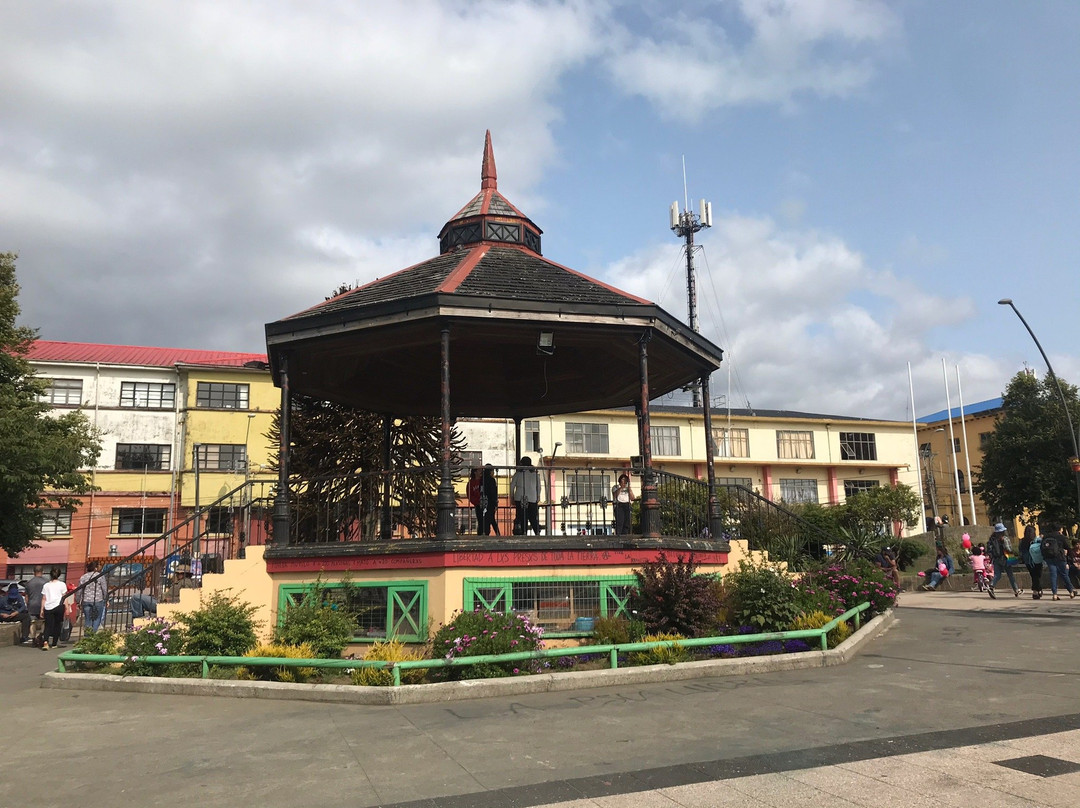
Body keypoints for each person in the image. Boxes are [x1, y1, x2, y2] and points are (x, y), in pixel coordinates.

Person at [1039, 522, 1076, 601]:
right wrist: (1071, 559)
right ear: (1059, 529)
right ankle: (1071, 592)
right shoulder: (1061, 537)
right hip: (1060, 558)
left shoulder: (1046, 537)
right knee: (1064, 575)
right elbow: (1068, 548)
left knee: (1053, 575)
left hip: (1049, 558)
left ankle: (1055, 594)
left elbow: (1041, 547)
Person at [987, 523, 1022, 597]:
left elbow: (989, 550)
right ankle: (1016, 590)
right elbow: (1008, 549)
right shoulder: (1005, 538)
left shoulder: (992, 539)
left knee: (997, 575)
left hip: (996, 559)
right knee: (1010, 575)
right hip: (1005, 558)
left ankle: (991, 586)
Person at [510, 457, 541, 535]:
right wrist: (538, 496)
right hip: (532, 498)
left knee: (522, 518)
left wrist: (512, 497)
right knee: (533, 518)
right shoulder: (535, 475)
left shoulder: (517, 474)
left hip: (520, 498)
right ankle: (537, 533)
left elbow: (512, 486)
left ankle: (524, 533)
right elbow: (539, 487)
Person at [78, 560, 109, 632]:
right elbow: (104, 589)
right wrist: (106, 599)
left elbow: (79, 590)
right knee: (97, 618)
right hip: (98, 600)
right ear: (96, 567)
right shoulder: (100, 576)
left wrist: (78, 601)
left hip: (86, 600)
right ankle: (93, 634)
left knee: (87, 619)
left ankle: (87, 635)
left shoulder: (83, 577)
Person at [40, 568, 67, 650]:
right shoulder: (62, 584)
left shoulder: (46, 585)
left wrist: (42, 609)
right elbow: (64, 597)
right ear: (59, 575)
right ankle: (54, 643)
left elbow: (44, 598)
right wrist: (67, 607)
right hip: (59, 606)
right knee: (57, 625)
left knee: (48, 625)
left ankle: (45, 642)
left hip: (48, 607)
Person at [23, 565, 47, 645]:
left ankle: (33, 638)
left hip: (32, 605)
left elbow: (26, 597)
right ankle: (40, 636)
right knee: (44, 622)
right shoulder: (46, 582)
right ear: (42, 572)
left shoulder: (29, 583)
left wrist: (28, 605)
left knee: (32, 623)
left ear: (33, 572)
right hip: (43, 605)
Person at [1019, 525, 1043, 600]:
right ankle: (1036, 591)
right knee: (1037, 576)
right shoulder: (1037, 540)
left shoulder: (1023, 541)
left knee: (1033, 576)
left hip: (1028, 561)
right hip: (1037, 560)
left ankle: (1037, 590)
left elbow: (1021, 551)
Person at [481, 464, 500, 536]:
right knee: (491, 518)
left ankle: (487, 532)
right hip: (490, 502)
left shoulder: (482, 479)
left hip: (483, 501)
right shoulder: (491, 480)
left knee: (487, 518)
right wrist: (495, 502)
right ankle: (495, 533)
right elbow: (493, 492)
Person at [467, 467, 484, 535]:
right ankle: (480, 534)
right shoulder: (471, 483)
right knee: (480, 520)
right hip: (478, 504)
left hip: (485, 503)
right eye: (479, 470)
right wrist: (477, 502)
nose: (481, 472)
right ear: (475, 472)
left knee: (488, 520)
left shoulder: (483, 481)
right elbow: (470, 495)